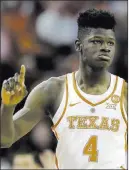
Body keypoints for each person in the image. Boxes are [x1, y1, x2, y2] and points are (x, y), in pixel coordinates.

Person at [1, 9, 127, 169]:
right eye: (96, 42)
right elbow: (5, 139)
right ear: (79, 46)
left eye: (109, 43)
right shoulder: (51, 90)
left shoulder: (124, 94)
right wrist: (7, 106)